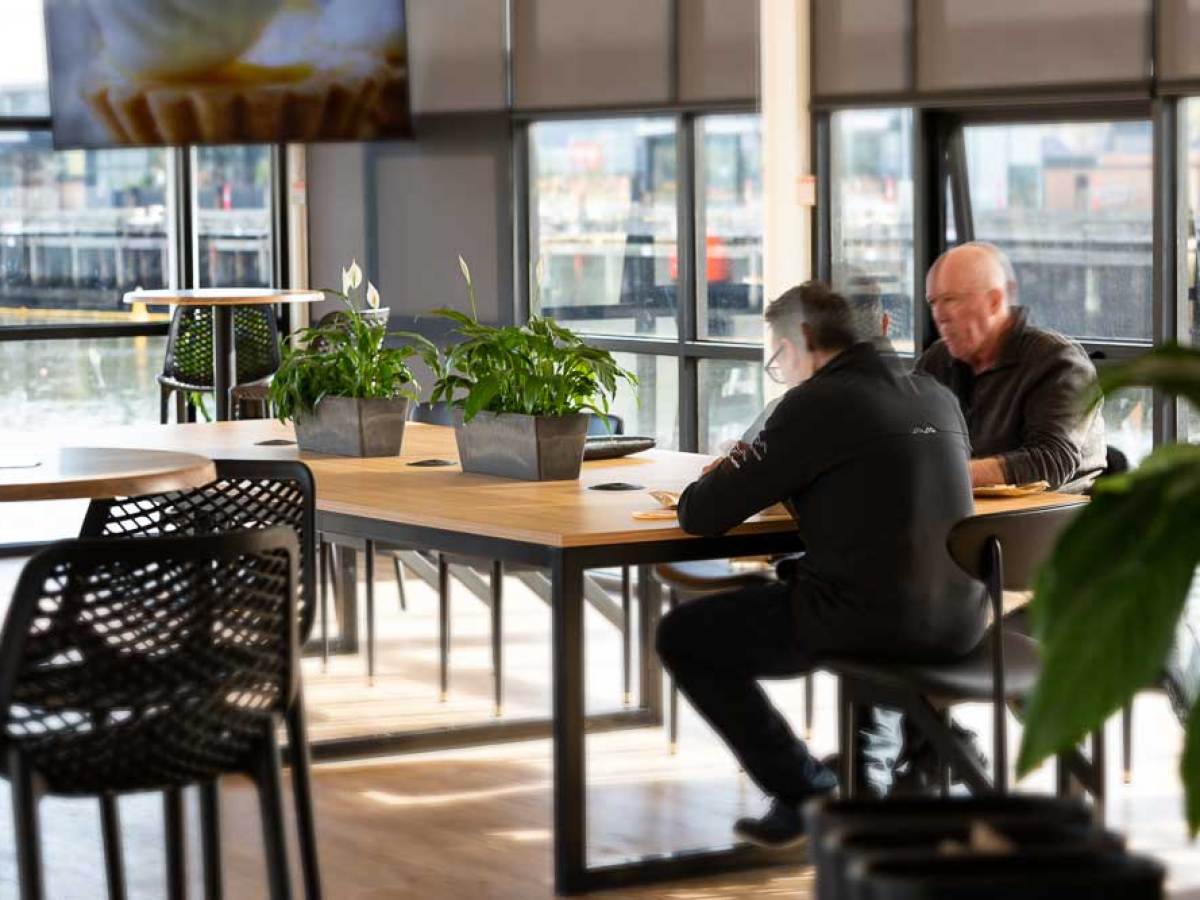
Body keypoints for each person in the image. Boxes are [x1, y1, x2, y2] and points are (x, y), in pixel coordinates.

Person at [656, 281, 984, 847]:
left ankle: (804, 788)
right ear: (882, 330)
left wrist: (734, 472)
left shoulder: (813, 404)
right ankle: (885, 769)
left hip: (867, 620)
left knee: (684, 636)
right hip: (964, 619)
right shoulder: (936, 394)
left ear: (802, 338)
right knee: (851, 584)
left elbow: (701, 516)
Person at [917, 241, 1106, 491]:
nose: (939, 315)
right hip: (961, 509)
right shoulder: (937, 360)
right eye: (933, 302)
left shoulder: (1058, 362)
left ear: (995, 301)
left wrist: (949, 473)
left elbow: (1050, 461)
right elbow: (910, 430)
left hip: (1047, 516)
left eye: (951, 300)